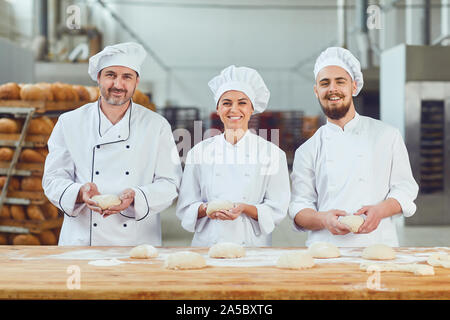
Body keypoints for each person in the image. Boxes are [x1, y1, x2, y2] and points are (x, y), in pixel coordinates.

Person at [43, 42, 182, 246]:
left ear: (137, 82)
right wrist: (80, 193)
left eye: (127, 77)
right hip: (82, 241)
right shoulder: (70, 122)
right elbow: (53, 179)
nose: (118, 84)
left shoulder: (156, 125)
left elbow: (170, 184)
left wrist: (136, 197)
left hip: (136, 243)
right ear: (98, 78)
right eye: (110, 75)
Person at [289, 47, 419, 247]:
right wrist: (324, 219)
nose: (333, 89)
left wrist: (380, 211)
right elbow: (299, 208)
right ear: (316, 91)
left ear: (354, 86)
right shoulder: (307, 150)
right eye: (325, 83)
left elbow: (405, 188)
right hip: (326, 250)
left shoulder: (386, 135)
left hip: (377, 245)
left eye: (340, 81)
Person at [176, 65, 290, 246]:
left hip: (252, 247)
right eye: (227, 103)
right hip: (207, 245)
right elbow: (185, 206)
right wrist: (206, 209)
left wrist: (245, 209)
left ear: (252, 109)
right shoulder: (199, 153)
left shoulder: (273, 154)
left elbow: (277, 208)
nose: (234, 109)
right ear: (218, 109)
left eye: (242, 103)